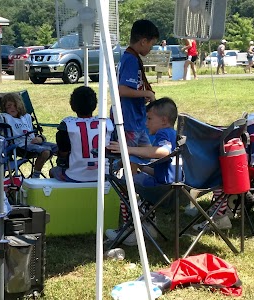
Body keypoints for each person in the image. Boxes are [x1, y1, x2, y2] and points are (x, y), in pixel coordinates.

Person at [105, 97, 179, 246]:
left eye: (150, 118)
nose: (146, 123)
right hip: (171, 183)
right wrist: (140, 166)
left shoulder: (163, 133)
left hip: (162, 187)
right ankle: (149, 225)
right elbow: (164, 168)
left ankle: (130, 230)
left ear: (164, 120)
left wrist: (128, 149)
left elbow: (164, 152)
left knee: (124, 184)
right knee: (137, 174)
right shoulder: (173, 133)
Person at [114, 19, 159, 175]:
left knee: (145, 156)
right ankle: (127, 195)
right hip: (129, 120)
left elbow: (131, 87)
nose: (151, 49)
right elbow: (121, 90)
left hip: (138, 120)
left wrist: (141, 94)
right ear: (143, 41)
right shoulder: (131, 60)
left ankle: (147, 187)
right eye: (151, 45)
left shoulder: (132, 57)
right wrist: (145, 93)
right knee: (131, 160)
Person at [49, 86, 114, 182]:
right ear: (95, 104)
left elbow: (63, 153)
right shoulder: (107, 123)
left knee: (53, 171)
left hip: (75, 175)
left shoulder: (67, 125)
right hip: (104, 175)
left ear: (72, 105)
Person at [0, 93, 57, 178]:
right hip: (20, 146)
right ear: (4, 107)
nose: (12, 108)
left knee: (61, 148)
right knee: (45, 152)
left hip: (34, 143)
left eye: (15, 105)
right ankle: (35, 177)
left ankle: (60, 170)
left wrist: (40, 138)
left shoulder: (26, 118)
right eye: (9, 106)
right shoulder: (4, 118)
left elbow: (34, 132)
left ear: (20, 106)